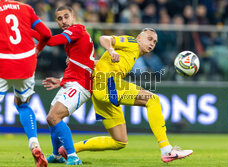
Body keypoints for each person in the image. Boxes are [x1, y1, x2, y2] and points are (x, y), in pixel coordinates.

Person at [56, 28, 193, 163]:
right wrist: (111, 50)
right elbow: (104, 38)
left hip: (99, 92)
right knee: (153, 100)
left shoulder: (132, 55)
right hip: (107, 83)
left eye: (155, 42)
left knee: (119, 141)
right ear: (139, 38)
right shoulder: (132, 42)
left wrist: (81, 63)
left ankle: (69, 149)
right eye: (149, 39)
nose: (152, 43)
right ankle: (167, 150)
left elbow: (101, 64)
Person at [37, 6, 95, 165]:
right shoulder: (74, 39)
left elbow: (52, 41)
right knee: (51, 119)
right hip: (72, 82)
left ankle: (73, 156)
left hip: (81, 84)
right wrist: (61, 80)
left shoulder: (77, 29)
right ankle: (56, 155)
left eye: (66, 17)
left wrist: (33, 28)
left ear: (73, 17)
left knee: (53, 117)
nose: (63, 21)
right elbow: (79, 64)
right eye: (59, 18)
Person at [0, 0, 51, 167]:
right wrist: (39, 48)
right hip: (26, 63)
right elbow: (46, 33)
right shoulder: (26, 9)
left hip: (3, 63)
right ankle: (35, 144)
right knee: (22, 105)